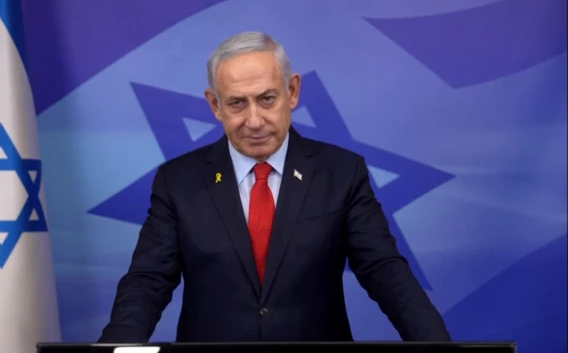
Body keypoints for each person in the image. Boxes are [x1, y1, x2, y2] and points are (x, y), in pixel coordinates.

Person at [98, 31, 451, 343]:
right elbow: (147, 282)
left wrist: (436, 345)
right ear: (215, 105)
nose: (254, 121)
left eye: (267, 99)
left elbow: (384, 270)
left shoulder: (342, 173)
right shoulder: (178, 181)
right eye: (237, 103)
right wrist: (117, 348)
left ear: (292, 91)